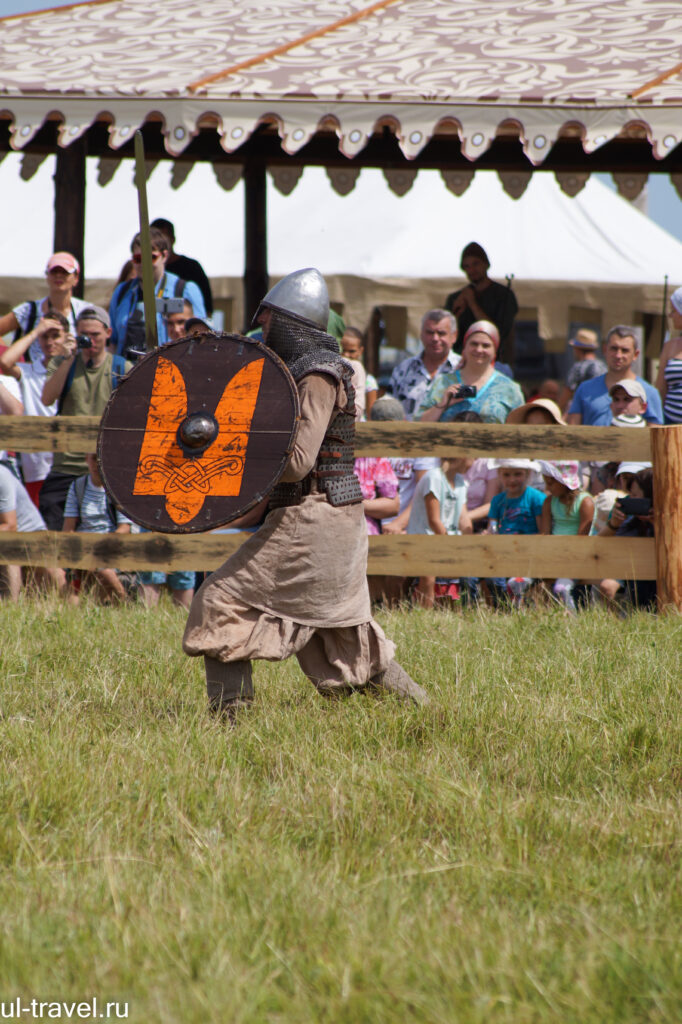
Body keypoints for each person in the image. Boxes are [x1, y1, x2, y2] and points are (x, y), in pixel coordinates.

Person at [183, 267, 428, 717]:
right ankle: (424, 716)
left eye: (271, 321)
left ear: (292, 323)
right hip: (326, 519)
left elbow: (297, 461)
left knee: (219, 601)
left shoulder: (316, 375)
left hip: (314, 518)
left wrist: (243, 445)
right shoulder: (300, 373)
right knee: (342, 642)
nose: (265, 330)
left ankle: (231, 722)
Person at [39, 306, 132, 530]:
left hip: (105, 469)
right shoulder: (62, 363)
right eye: (84, 335)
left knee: (106, 538)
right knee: (55, 538)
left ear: (108, 333)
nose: (89, 341)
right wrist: (69, 357)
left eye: (95, 335)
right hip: (66, 465)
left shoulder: (120, 367)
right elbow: (47, 398)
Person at [108, 227, 206, 358]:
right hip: (128, 373)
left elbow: (202, 338)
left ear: (165, 256)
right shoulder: (122, 292)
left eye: (151, 257)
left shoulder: (184, 290)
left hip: (170, 371)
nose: (144, 264)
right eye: (138, 258)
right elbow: (112, 342)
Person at [0, 310, 64, 505]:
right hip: (35, 466)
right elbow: (5, 361)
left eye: (56, 335)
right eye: (45, 336)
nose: (50, 341)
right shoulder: (29, 370)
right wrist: (36, 332)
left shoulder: (72, 369)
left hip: (64, 462)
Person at [418, 321, 524, 424]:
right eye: (474, 344)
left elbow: (520, 430)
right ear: (465, 348)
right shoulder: (443, 382)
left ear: (495, 350)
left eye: (486, 345)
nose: (479, 349)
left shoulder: (509, 388)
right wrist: (443, 404)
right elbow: (419, 425)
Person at [62, 453, 133, 604]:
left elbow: (124, 528)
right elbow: (68, 528)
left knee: (100, 567)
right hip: (82, 545)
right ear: (86, 459)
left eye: (101, 458)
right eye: (94, 458)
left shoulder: (117, 486)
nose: (97, 464)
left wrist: (101, 544)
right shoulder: (77, 486)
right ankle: (120, 603)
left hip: (111, 543)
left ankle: (121, 601)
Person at [406, 457, 472, 608]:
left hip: (448, 539)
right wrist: (451, 547)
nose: (473, 462)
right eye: (471, 458)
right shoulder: (433, 477)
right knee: (429, 578)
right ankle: (425, 616)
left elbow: (464, 519)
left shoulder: (460, 481)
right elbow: (434, 521)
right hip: (425, 538)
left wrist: (470, 545)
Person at [0, 462, 69, 601]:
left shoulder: (2, 475)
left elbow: (9, 526)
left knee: (57, 583)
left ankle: (9, 607)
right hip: (10, 538)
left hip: (31, 534)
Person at [567, 326, 663, 426]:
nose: (618, 355)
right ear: (605, 350)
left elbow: (655, 437)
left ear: (635, 354)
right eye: (614, 348)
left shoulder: (650, 393)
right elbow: (573, 433)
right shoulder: (584, 389)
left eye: (625, 350)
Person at [484, 459, 545, 607]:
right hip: (503, 553)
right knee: (491, 579)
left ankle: (518, 605)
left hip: (529, 553)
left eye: (518, 474)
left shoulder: (536, 498)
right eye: (506, 475)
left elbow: (543, 532)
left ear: (527, 474)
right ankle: (501, 609)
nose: (512, 479)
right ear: (499, 475)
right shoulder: (497, 501)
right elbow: (492, 528)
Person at [0, 251, 89, 351]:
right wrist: (8, 358)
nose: (59, 275)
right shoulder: (28, 310)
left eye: (65, 272)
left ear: (76, 278)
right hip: (32, 366)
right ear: (47, 275)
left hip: (72, 366)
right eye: (54, 271)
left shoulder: (86, 311)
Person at [444, 242, 518, 363]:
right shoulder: (456, 298)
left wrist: (472, 303)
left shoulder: (504, 296)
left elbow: (496, 333)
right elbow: (448, 336)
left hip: (494, 364)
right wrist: (455, 314)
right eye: (466, 266)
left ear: (486, 264)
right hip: (462, 364)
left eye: (475, 264)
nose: (471, 270)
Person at [539, 460, 594, 611]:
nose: (547, 488)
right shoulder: (549, 501)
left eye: (551, 484)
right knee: (518, 582)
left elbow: (581, 539)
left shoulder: (585, 502)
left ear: (563, 482)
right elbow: (545, 534)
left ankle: (572, 623)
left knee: (561, 589)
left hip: (576, 558)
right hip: (552, 555)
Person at [389, 309, 460, 418]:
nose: (435, 338)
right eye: (430, 332)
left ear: (454, 336)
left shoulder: (462, 367)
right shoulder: (403, 369)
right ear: (421, 334)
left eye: (441, 333)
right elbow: (391, 410)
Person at [150, 217, 213, 316]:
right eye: (155, 241)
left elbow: (207, 311)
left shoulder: (192, 268)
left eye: (164, 239)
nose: (160, 245)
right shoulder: (140, 274)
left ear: (173, 239)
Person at [557, 328, 607, 413]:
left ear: (577, 349)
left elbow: (567, 392)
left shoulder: (578, 367)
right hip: (602, 409)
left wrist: (558, 411)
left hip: (582, 411)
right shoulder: (603, 366)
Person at [654, 286, 682, 424]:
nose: (671, 315)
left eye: (673, 310)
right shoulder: (670, 346)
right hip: (670, 423)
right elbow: (660, 389)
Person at [341, 327, 379, 417]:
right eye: (343, 350)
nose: (346, 355)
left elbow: (371, 414)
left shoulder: (369, 381)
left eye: (351, 351)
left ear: (360, 351)